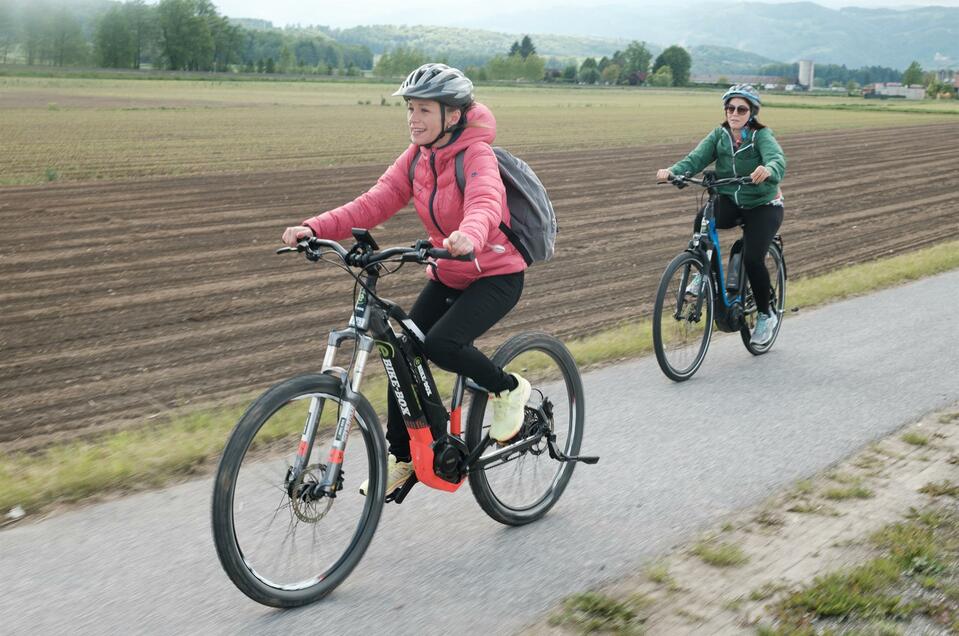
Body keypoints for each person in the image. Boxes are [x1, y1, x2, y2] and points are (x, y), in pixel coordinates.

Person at [282, 63, 530, 496]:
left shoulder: (477, 155)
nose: (413, 119)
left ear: (452, 116)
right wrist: (315, 227)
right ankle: (406, 458)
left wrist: (469, 236)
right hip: (449, 271)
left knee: (441, 344)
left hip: (495, 273)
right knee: (401, 352)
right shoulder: (417, 158)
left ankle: (507, 389)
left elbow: (486, 202)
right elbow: (373, 202)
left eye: (423, 111)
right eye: (410, 109)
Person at [656, 83, 787, 346]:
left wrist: (768, 169)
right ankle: (700, 269)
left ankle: (766, 314)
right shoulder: (719, 135)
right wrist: (673, 171)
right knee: (704, 217)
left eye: (741, 109)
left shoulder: (761, 136)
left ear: (752, 113)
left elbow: (777, 159)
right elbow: (695, 159)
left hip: (763, 205)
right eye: (730, 108)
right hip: (732, 200)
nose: (734, 113)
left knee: (752, 258)